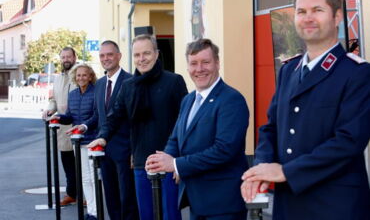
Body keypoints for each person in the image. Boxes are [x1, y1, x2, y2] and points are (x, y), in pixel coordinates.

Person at [241, 0, 370, 220]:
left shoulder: (357, 73)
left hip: (335, 207)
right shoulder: (289, 71)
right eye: (301, 11)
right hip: (289, 205)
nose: (307, 17)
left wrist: (286, 172)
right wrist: (261, 170)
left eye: (317, 10)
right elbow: (271, 128)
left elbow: (348, 142)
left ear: (338, 16)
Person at [146, 38, 249, 220]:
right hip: (196, 200)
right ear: (187, 67)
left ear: (217, 63)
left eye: (206, 62)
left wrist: (177, 164)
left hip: (222, 203)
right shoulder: (189, 99)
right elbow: (176, 138)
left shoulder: (231, 100)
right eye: (193, 63)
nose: (199, 69)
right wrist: (161, 160)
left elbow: (224, 150)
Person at [90, 34, 187, 220]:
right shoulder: (129, 86)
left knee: (170, 215)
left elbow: (184, 122)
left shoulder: (173, 81)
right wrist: (103, 137)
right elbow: (114, 116)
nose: (141, 59)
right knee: (146, 215)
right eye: (137, 55)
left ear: (157, 54)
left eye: (146, 53)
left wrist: (179, 161)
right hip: (142, 162)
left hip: (168, 160)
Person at [76, 40, 138, 220]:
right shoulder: (100, 84)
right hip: (104, 151)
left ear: (119, 56)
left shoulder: (131, 82)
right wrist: (85, 126)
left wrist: (134, 150)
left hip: (125, 151)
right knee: (110, 197)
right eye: (102, 55)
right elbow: (98, 115)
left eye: (110, 54)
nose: (106, 58)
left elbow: (135, 120)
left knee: (128, 198)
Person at [50, 63, 98, 220]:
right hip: (78, 142)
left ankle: (97, 211)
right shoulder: (73, 94)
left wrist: (84, 126)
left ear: (90, 77)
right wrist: (59, 117)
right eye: (78, 75)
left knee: (93, 177)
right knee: (84, 177)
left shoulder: (96, 92)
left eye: (84, 75)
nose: (81, 78)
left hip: (93, 141)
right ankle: (91, 211)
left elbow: (97, 116)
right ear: (75, 78)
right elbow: (70, 116)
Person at [42, 47, 77, 206]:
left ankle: (85, 196)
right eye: (63, 57)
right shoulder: (58, 78)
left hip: (78, 127)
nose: (66, 60)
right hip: (62, 130)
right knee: (68, 165)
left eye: (68, 56)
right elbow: (54, 100)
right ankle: (72, 194)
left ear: (74, 57)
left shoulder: (80, 74)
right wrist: (50, 109)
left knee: (82, 166)